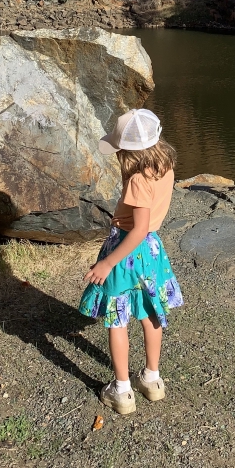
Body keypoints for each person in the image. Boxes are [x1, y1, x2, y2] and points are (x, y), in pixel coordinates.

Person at [79, 108, 183, 416]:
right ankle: (152, 379)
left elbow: (138, 228)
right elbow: (149, 228)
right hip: (152, 251)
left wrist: (108, 262)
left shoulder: (138, 178)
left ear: (127, 152)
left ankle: (122, 390)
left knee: (118, 316)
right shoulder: (165, 168)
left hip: (128, 249)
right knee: (150, 310)